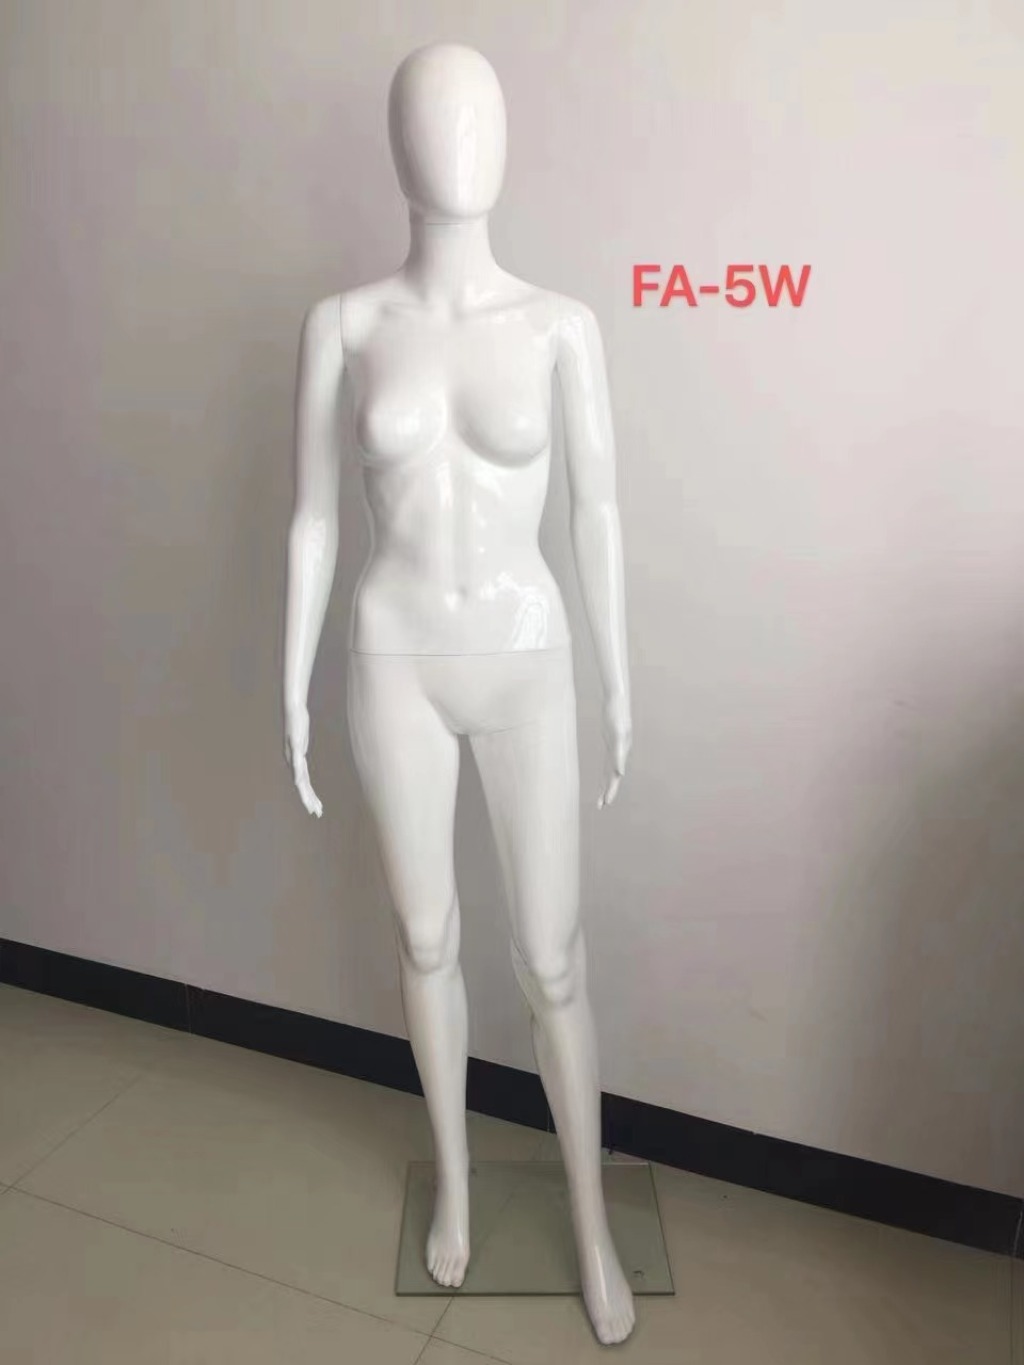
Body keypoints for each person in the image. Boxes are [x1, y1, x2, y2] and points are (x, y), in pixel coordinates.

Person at [283, 42, 634, 1345]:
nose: (458, 139)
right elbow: (315, 520)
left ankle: (591, 1223)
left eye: (477, 115)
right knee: (426, 938)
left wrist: (619, 680)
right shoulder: (343, 325)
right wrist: (290, 683)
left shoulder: (560, 325)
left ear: (507, 140)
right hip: (395, 656)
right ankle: (459, 1186)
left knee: (551, 955)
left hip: (525, 650)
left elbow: (598, 512)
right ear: (399, 147)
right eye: (435, 118)